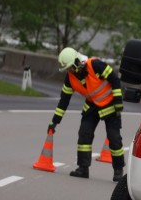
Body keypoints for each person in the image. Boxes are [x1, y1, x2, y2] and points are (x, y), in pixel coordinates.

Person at [48, 47, 125, 182]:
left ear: (78, 62)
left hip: (110, 105)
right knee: (84, 134)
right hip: (91, 106)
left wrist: (118, 100)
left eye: (71, 67)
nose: (70, 71)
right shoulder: (70, 78)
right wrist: (55, 121)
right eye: (67, 69)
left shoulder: (95, 65)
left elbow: (114, 79)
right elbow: (63, 101)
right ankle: (83, 168)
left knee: (114, 138)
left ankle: (118, 170)